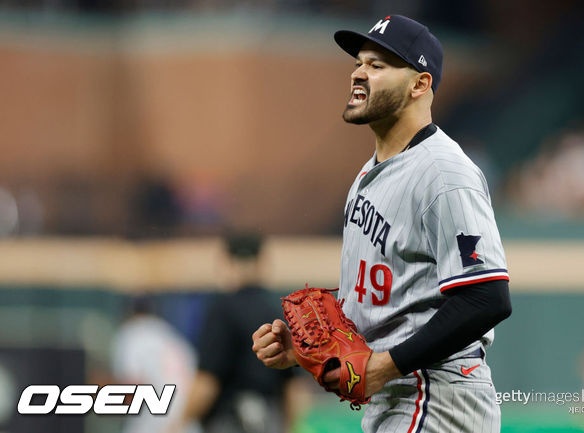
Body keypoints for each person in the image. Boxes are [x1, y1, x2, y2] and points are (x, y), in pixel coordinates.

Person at [252, 15, 512, 432]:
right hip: (400, 397)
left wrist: (382, 368)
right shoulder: (369, 175)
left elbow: (486, 297)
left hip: (436, 396)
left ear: (419, 85)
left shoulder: (444, 174)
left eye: (378, 65)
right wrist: (304, 353)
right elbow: (383, 303)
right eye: (359, 62)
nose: (358, 73)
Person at [182, 233, 304, 433]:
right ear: (261, 262)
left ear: (227, 262)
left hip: (230, 421)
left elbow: (207, 382)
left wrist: (178, 423)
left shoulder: (221, 310)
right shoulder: (278, 311)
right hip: (270, 420)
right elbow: (293, 386)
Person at [111, 296, 201, 433]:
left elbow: (132, 388)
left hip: (155, 424)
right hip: (187, 423)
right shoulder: (171, 335)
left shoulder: (132, 334)